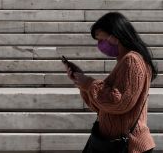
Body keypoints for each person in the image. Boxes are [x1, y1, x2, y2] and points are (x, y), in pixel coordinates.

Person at [64, 12, 157, 153]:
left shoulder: (132, 60)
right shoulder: (125, 60)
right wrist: (83, 84)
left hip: (127, 145)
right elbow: (103, 107)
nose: (100, 45)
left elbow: (119, 103)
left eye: (102, 39)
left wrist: (89, 84)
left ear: (115, 36)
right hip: (114, 142)